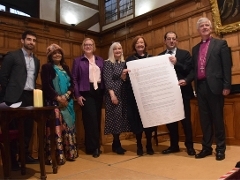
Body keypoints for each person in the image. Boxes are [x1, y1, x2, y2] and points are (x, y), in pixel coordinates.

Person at [192, 17, 232, 161]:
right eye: (201, 26)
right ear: (198, 30)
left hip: (216, 87)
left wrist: (227, 85)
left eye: (207, 25)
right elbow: (195, 69)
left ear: (211, 27)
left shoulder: (220, 44)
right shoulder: (195, 48)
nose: (204, 27)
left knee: (217, 118)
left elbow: (226, 66)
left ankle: (220, 148)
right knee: (205, 120)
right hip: (201, 87)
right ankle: (206, 148)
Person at [0, 30, 40, 170]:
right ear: (22, 40)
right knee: (13, 130)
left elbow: (33, 79)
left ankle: (25, 156)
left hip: (29, 97)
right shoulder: (12, 56)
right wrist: (10, 92)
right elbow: (3, 77)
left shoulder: (36, 60)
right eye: (29, 39)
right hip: (13, 98)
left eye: (34, 40)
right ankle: (12, 160)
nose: (31, 42)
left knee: (27, 129)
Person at [158, 31, 195, 156]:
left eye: (174, 38)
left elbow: (191, 71)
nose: (171, 41)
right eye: (169, 39)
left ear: (177, 41)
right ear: (165, 41)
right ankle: (174, 146)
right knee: (171, 121)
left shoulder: (185, 54)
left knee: (186, 121)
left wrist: (177, 63)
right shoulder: (160, 56)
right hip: (167, 94)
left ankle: (189, 146)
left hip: (183, 92)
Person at [41, 44, 78, 165]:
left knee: (68, 127)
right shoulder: (46, 67)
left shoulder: (66, 68)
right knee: (56, 129)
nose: (57, 55)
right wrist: (58, 98)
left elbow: (73, 84)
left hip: (67, 102)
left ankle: (70, 153)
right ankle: (56, 156)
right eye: (54, 53)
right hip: (53, 103)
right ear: (50, 56)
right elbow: (46, 86)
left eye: (59, 53)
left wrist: (66, 96)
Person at [72, 38, 104, 158]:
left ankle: (94, 145)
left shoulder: (100, 60)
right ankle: (93, 147)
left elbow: (104, 76)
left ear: (94, 46)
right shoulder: (78, 61)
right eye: (86, 44)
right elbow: (74, 79)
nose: (88, 46)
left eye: (90, 44)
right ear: (83, 46)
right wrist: (77, 95)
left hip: (99, 91)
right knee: (90, 120)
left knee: (97, 119)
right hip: (86, 91)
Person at [125, 35, 155, 156]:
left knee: (149, 120)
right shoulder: (129, 60)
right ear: (134, 46)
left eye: (142, 42)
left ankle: (149, 143)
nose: (140, 45)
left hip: (148, 95)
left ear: (145, 44)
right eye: (137, 43)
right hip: (135, 95)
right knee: (137, 120)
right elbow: (126, 79)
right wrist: (125, 74)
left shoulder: (151, 58)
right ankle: (139, 144)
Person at [103, 42, 131, 155]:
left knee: (121, 118)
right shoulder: (108, 63)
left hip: (123, 93)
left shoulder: (124, 63)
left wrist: (124, 76)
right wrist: (112, 94)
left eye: (119, 48)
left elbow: (124, 79)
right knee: (115, 118)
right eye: (115, 49)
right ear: (112, 51)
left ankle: (116, 143)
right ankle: (116, 143)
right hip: (113, 94)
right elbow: (107, 79)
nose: (118, 51)